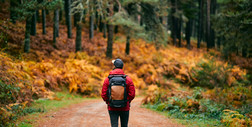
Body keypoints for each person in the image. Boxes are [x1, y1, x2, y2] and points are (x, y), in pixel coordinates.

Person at [101, 58, 135, 127]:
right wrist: (127, 101)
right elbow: (132, 94)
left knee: (114, 125)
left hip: (112, 107)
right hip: (125, 107)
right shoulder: (127, 79)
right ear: (122, 67)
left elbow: (104, 94)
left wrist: (109, 101)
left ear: (114, 66)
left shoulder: (108, 79)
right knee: (124, 125)